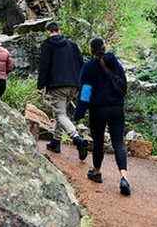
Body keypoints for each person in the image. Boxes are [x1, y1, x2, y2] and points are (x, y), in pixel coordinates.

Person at [73, 37, 130, 196]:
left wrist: (78, 113)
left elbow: (85, 93)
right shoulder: (115, 63)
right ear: (105, 48)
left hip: (98, 110)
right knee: (118, 143)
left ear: (91, 50)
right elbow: (124, 83)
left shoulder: (89, 67)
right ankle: (124, 177)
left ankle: (97, 172)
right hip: (117, 108)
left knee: (98, 143)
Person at [36, 20, 88, 160]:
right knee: (61, 114)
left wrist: (40, 86)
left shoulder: (47, 45)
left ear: (48, 32)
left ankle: (77, 139)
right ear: (58, 29)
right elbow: (81, 64)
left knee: (60, 115)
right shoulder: (72, 45)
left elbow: (44, 66)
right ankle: (56, 142)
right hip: (74, 85)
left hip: (57, 85)